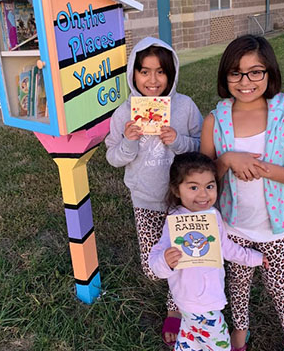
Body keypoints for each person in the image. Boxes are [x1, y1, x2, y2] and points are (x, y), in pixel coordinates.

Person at [200, 34, 284, 351]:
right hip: (232, 225)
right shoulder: (214, 121)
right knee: (237, 285)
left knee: (283, 289)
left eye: (256, 71)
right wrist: (226, 160)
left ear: (270, 73)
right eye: (235, 72)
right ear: (225, 76)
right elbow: (202, 179)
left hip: (274, 228)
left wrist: (263, 168)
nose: (246, 81)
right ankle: (240, 332)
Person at [105, 37, 203, 346]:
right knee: (154, 266)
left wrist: (178, 140)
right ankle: (178, 295)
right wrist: (128, 141)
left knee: (184, 256)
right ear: (133, 74)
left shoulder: (184, 106)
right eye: (144, 71)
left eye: (161, 71)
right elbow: (113, 158)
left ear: (171, 73)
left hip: (181, 200)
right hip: (146, 198)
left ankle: (178, 308)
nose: (152, 80)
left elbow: (202, 147)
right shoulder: (124, 113)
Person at [149, 152, 268, 351]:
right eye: (193, 187)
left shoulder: (213, 215)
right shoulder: (175, 220)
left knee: (189, 339)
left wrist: (254, 257)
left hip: (206, 298)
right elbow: (155, 262)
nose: (203, 194)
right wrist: (165, 260)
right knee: (220, 344)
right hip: (197, 303)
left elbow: (227, 248)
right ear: (176, 190)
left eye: (209, 186)